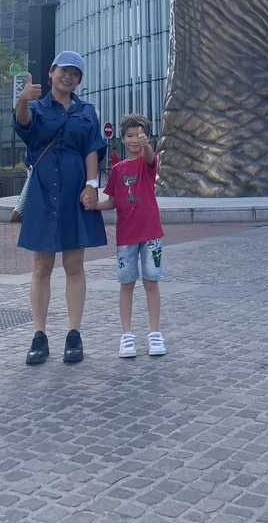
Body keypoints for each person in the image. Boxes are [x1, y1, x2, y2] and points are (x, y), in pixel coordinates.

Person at [13, 51, 107, 366]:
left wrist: (92, 186)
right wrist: (22, 100)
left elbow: (92, 148)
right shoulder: (36, 107)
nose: (69, 77)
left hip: (75, 194)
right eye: (64, 71)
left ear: (79, 80)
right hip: (43, 191)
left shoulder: (86, 111)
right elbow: (24, 125)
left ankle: (73, 334)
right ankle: (39, 335)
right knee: (41, 266)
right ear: (52, 72)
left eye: (75, 73)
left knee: (74, 265)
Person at [95, 113, 166, 358]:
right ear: (122, 139)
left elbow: (149, 157)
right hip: (126, 235)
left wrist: (147, 145)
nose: (135, 140)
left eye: (140, 135)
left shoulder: (150, 161)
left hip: (151, 232)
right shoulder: (117, 170)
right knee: (126, 284)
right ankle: (127, 336)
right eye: (130, 136)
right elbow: (112, 202)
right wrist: (93, 205)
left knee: (151, 282)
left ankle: (154, 333)